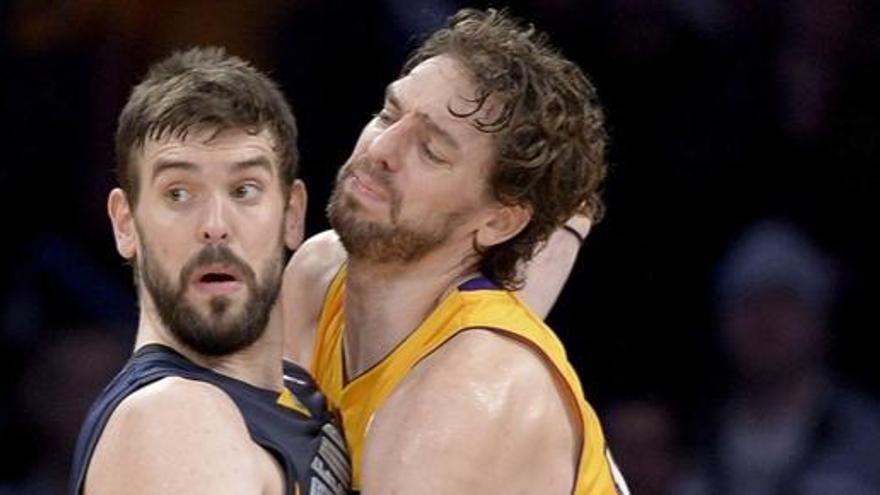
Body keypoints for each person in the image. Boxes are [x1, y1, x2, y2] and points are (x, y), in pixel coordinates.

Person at [283, 8, 628, 494]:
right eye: (388, 114)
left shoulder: (467, 397)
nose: (381, 148)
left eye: (430, 150)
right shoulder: (319, 275)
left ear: (498, 220)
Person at [69, 47, 350, 495]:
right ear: (126, 224)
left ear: (293, 215)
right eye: (179, 194)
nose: (215, 227)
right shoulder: (173, 418)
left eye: (244, 189)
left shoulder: (299, 390)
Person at [680, 219, 880, 494]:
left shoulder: (868, 440)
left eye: (784, 301)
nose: (764, 320)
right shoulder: (688, 440)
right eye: (748, 303)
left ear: (820, 323)